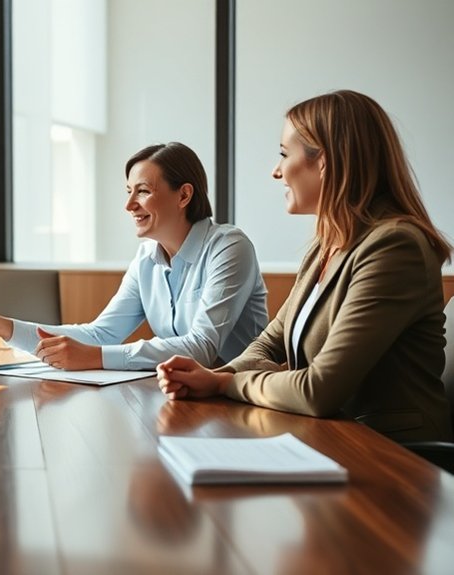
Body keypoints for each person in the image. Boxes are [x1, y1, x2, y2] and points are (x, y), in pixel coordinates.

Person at [156, 90, 453, 442]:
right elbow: (271, 343)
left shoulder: (394, 247)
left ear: (324, 161)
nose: (276, 171)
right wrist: (215, 376)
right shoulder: (327, 245)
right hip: (336, 438)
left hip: (391, 453)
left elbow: (319, 389)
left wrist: (224, 383)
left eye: (284, 154)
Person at [0, 142, 268, 371]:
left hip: (241, 396)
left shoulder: (229, 247)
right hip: (187, 393)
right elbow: (101, 333)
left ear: (183, 195)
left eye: (143, 191)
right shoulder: (146, 258)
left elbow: (202, 347)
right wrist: (3, 327)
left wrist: (96, 357)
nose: (129, 205)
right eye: (128, 192)